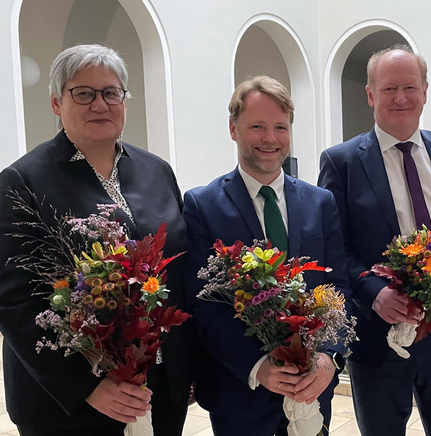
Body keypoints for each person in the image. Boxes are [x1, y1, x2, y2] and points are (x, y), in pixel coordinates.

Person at [0, 44, 194, 436]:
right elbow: (14, 300)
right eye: (83, 93)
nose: (100, 104)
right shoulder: (22, 182)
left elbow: (180, 272)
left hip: (158, 385)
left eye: (111, 93)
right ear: (57, 102)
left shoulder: (157, 171)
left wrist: (186, 364)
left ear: (124, 100)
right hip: (68, 400)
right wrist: (87, 387)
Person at [318, 44, 431, 436]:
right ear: (370, 94)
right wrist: (373, 292)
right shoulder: (342, 162)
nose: (401, 98)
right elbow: (333, 251)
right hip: (377, 333)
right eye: (388, 89)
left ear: (424, 91)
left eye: (409, 87)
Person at [182, 76, 350, 436]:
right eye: (257, 126)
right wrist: (258, 366)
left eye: (280, 127)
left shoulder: (321, 202)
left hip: (312, 390)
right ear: (233, 129)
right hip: (240, 394)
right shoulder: (202, 205)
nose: (270, 139)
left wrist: (330, 358)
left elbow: (340, 287)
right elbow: (204, 306)